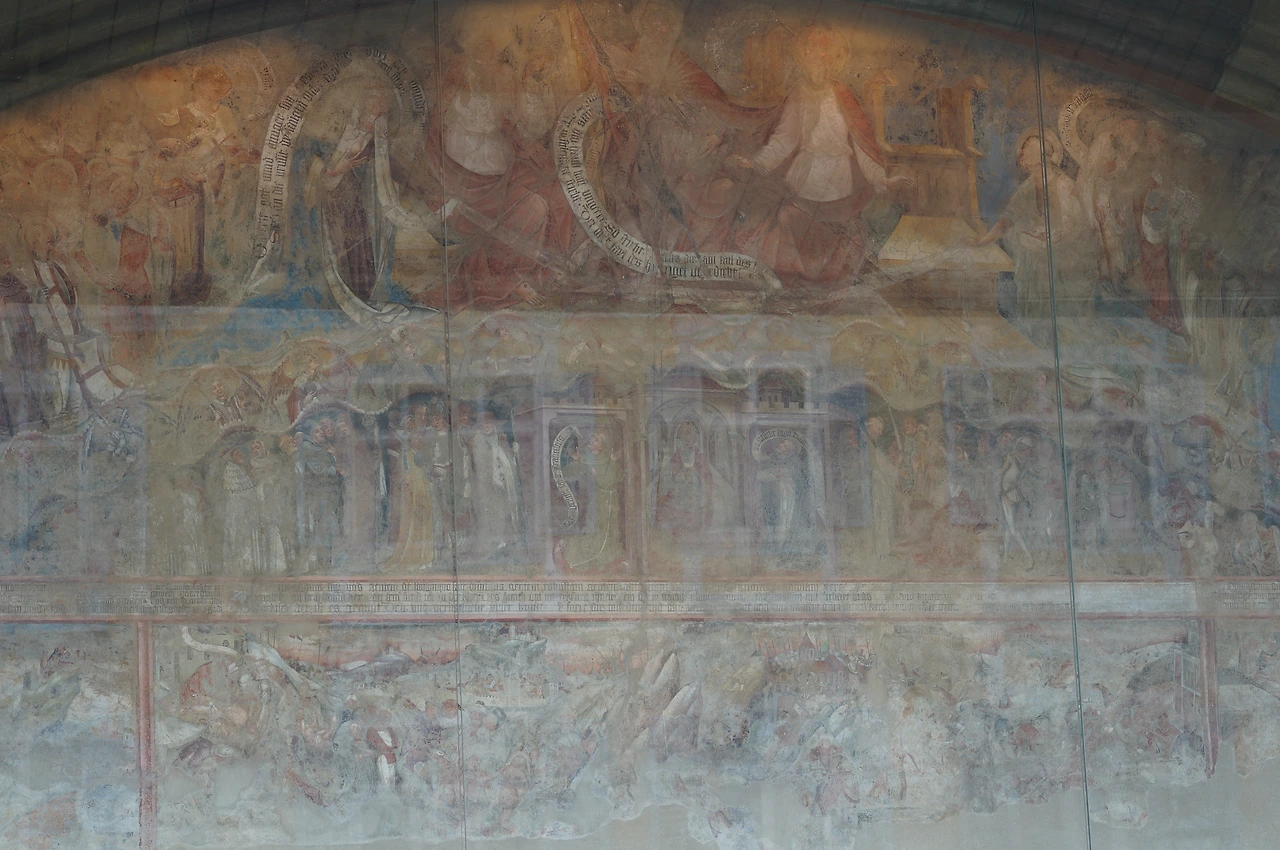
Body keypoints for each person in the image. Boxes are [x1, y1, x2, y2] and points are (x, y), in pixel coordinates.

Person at [728, 25, 909, 291]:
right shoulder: (798, 93)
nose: (815, 56)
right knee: (787, 218)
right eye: (809, 50)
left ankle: (822, 282)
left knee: (833, 235)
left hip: (837, 180)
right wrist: (757, 163)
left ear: (835, 58)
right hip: (804, 176)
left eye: (822, 50)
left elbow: (862, 143)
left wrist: (880, 178)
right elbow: (784, 139)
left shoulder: (843, 95)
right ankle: (794, 283)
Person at [972, 129, 1097, 333]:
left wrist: (1045, 239)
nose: (1021, 153)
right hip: (1042, 248)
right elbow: (1009, 219)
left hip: (1068, 253)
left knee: (1042, 266)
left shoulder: (1062, 184)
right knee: (1027, 252)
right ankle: (1036, 329)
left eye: (1027, 149)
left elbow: (1072, 228)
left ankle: (1058, 331)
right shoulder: (1030, 185)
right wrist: (984, 241)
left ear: (1041, 156)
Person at [554, 430, 625, 571]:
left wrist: (608, 466)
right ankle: (566, 546)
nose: (592, 440)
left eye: (596, 440)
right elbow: (568, 474)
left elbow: (611, 480)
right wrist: (576, 461)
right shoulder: (586, 458)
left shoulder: (608, 459)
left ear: (601, 446)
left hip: (608, 501)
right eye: (592, 438)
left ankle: (597, 555)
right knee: (591, 529)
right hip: (595, 500)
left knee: (605, 533)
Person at [385, 405, 438, 570]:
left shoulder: (422, 455)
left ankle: (426, 557)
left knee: (426, 526)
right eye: (416, 438)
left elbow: (428, 472)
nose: (419, 440)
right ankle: (415, 557)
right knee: (413, 528)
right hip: (413, 499)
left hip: (424, 497)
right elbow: (406, 478)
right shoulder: (406, 456)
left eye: (420, 438)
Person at [467, 409, 523, 561]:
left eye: (488, 423)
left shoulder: (501, 441)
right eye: (482, 424)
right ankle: (491, 546)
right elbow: (479, 469)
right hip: (487, 489)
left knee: (505, 514)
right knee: (492, 516)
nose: (485, 427)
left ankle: (504, 543)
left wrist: (514, 454)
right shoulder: (478, 443)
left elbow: (509, 464)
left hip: (504, 488)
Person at [755, 437, 815, 556]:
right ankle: (775, 547)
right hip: (772, 500)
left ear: (789, 451)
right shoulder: (770, 461)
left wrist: (786, 474)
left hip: (788, 500)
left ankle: (785, 548)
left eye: (785, 446)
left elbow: (801, 482)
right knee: (774, 523)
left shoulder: (795, 463)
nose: (781, 445)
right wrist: (775, 474)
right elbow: (759, 476)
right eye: (781, 443)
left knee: (785, 522)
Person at [221, 448, 260, 574]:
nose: (241, 454)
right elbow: (237, 492)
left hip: (243, 513)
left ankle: (245, 567)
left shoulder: (240, 469)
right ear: (231, 457)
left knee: (244, 539)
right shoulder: (230, 470)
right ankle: (237, 568)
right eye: (237, 453)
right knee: (237, 538)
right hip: (237, 513)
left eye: (241, 452)